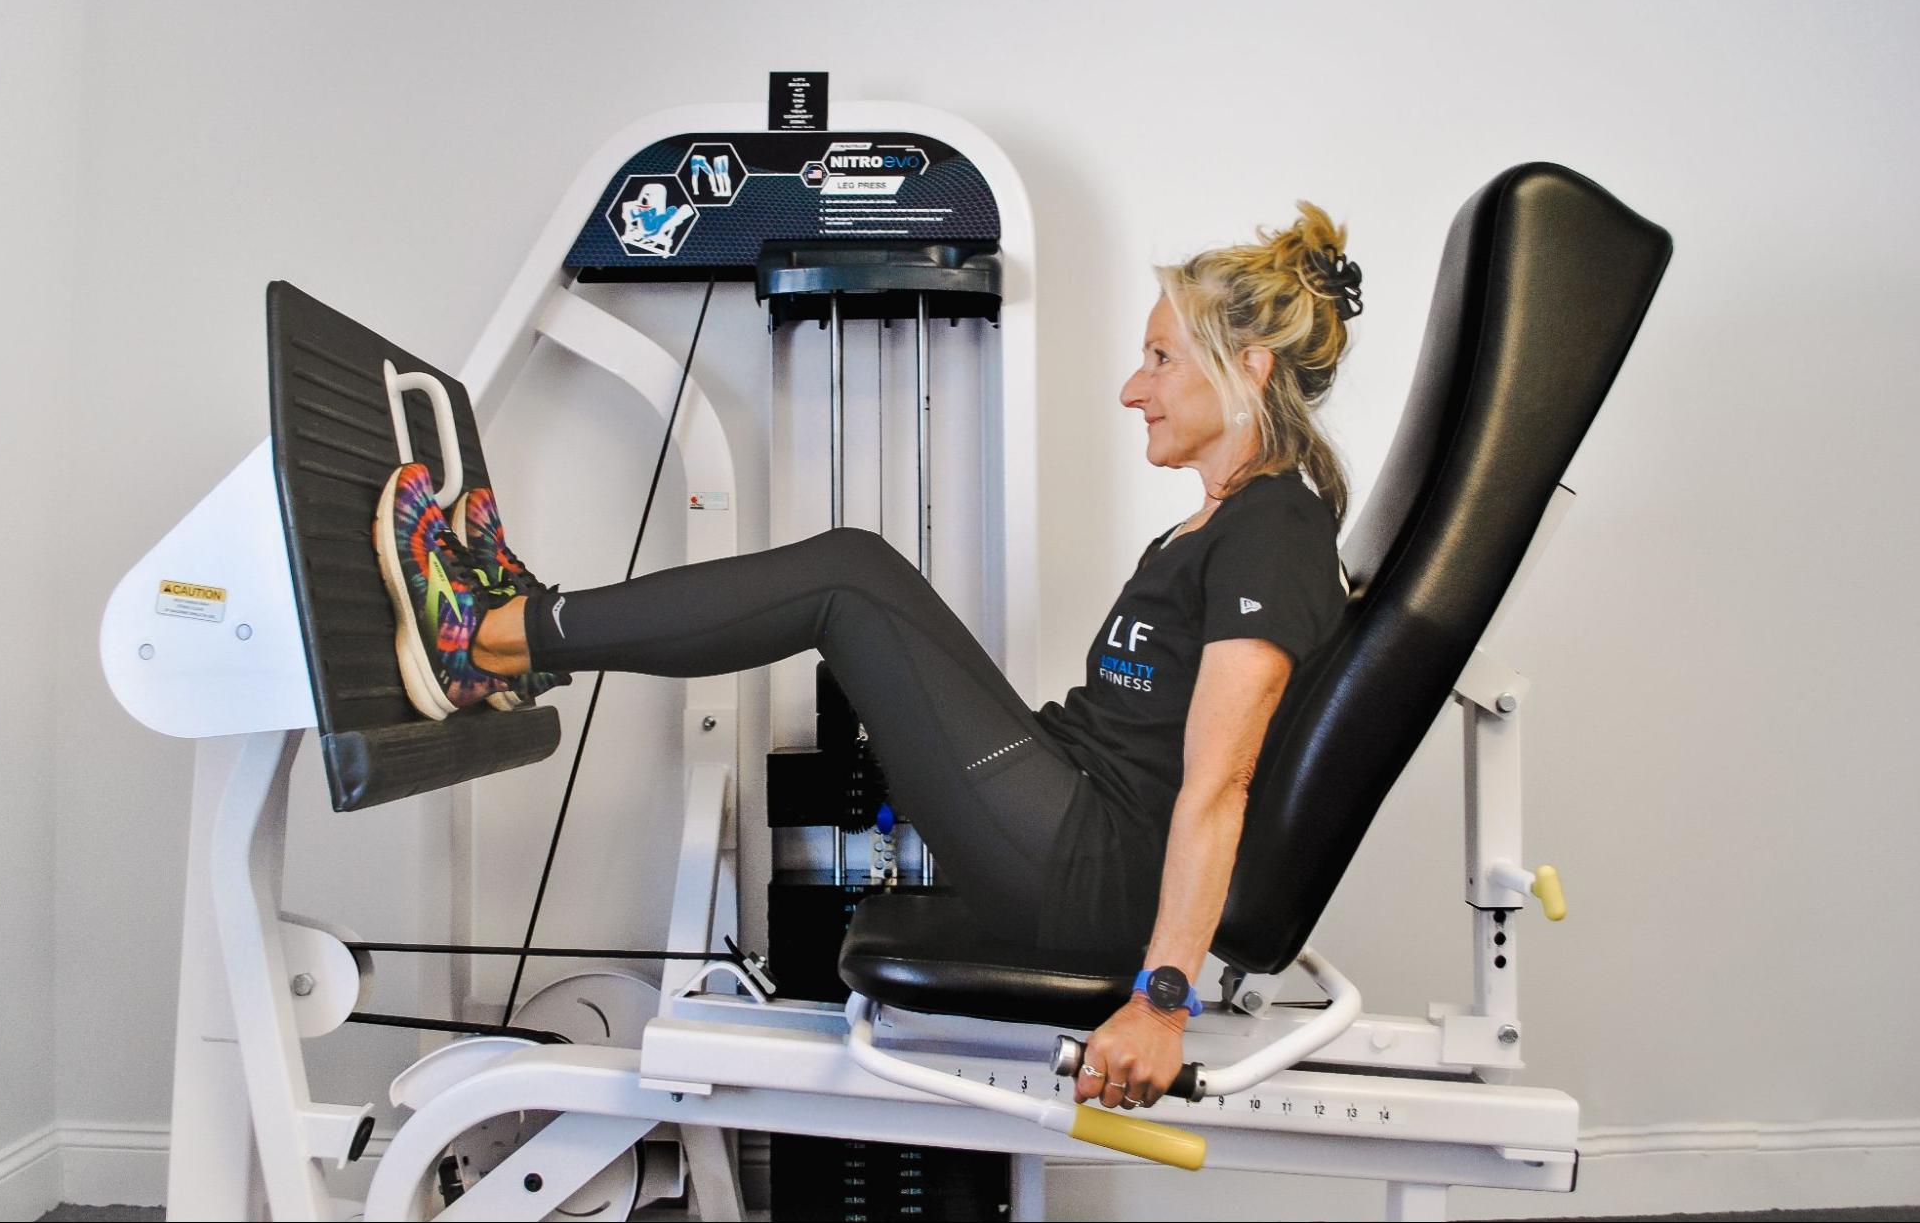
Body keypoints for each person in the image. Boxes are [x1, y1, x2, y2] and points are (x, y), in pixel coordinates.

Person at [372, 201, 1360, 1114]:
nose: (1131, 388)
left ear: (1252, 368)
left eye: (1159, 358)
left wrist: (1162, 998)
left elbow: (1219, 785)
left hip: (1084, 869)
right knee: (857, 573)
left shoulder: (1275, 532)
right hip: (1070, 819)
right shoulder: (1231, 522)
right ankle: (510, 630)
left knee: (849, 577)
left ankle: (491, 635)